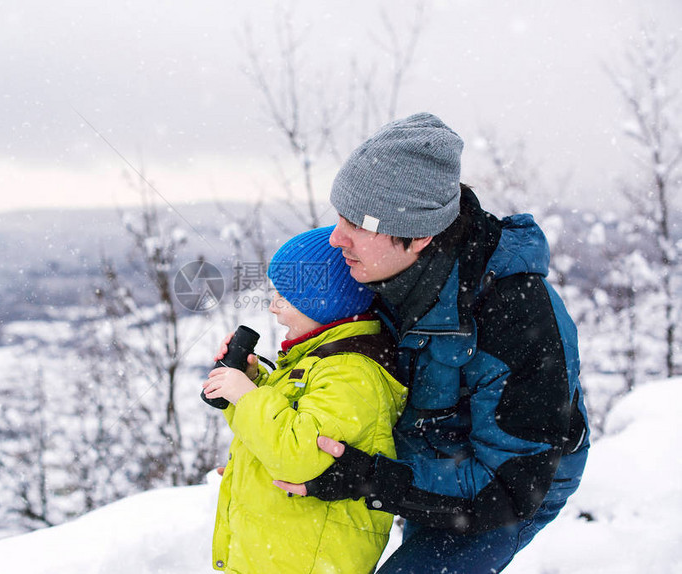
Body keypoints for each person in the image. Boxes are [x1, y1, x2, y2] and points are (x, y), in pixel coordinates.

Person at [273, 113, 590, 573]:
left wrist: (370, 478)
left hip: (505, 484)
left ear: (420, 235)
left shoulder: (516, 317)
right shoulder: (370, 263)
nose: (337, 237)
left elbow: (508, 486)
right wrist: (259, 392)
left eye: (358, 224)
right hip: (417, 454)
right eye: (339, 215)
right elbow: (326, 345)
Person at [202, 225, 409, 573]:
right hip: (275, 554)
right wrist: (250, 384)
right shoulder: (316, 360)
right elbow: (278, 429)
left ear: (325, 303)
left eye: (285, 296)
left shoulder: (352, 373)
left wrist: (249, 396)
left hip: (305, 561)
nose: (272, 307)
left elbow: (297, 455)